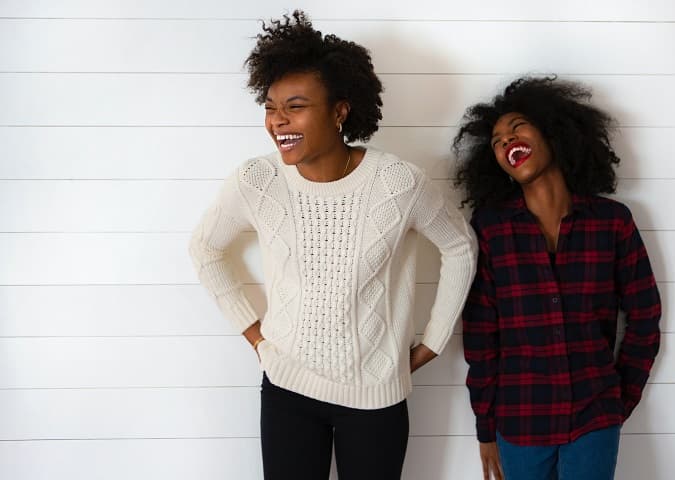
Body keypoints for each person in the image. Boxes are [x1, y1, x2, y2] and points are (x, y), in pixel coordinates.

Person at [189, 11, 477, 480]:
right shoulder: (257, 180)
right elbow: (204, 248)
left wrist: (433, 341)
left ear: (340, 111)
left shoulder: (398, 183)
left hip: (376, 398)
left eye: (295, 106)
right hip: (286, 390)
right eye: (270, 106)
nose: (277, 121)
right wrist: (255, 335)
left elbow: (460, 246)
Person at [454, 77, 662, 480]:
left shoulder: (612, 223)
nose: (505, 141)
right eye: (496, 140)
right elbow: (482, 336)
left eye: (517, 127)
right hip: (520, 421)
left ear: (553, 132)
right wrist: (485, 427)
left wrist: (619, 399)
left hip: (595, 416)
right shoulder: (491, 230)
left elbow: (644, 316)